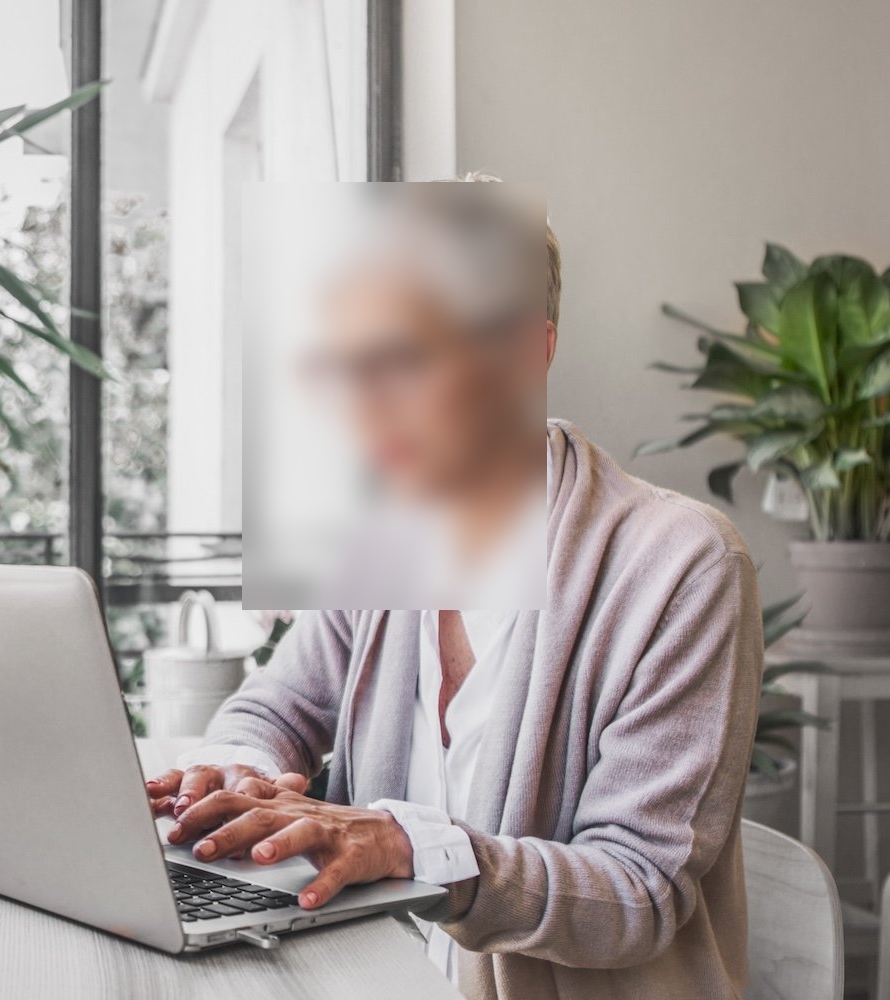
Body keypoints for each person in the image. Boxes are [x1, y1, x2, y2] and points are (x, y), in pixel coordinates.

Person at [148, 182, 762, 999]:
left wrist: (412, 847)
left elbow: (638, 890)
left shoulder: (682, 565)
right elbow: (276, 707)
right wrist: (234, 773)